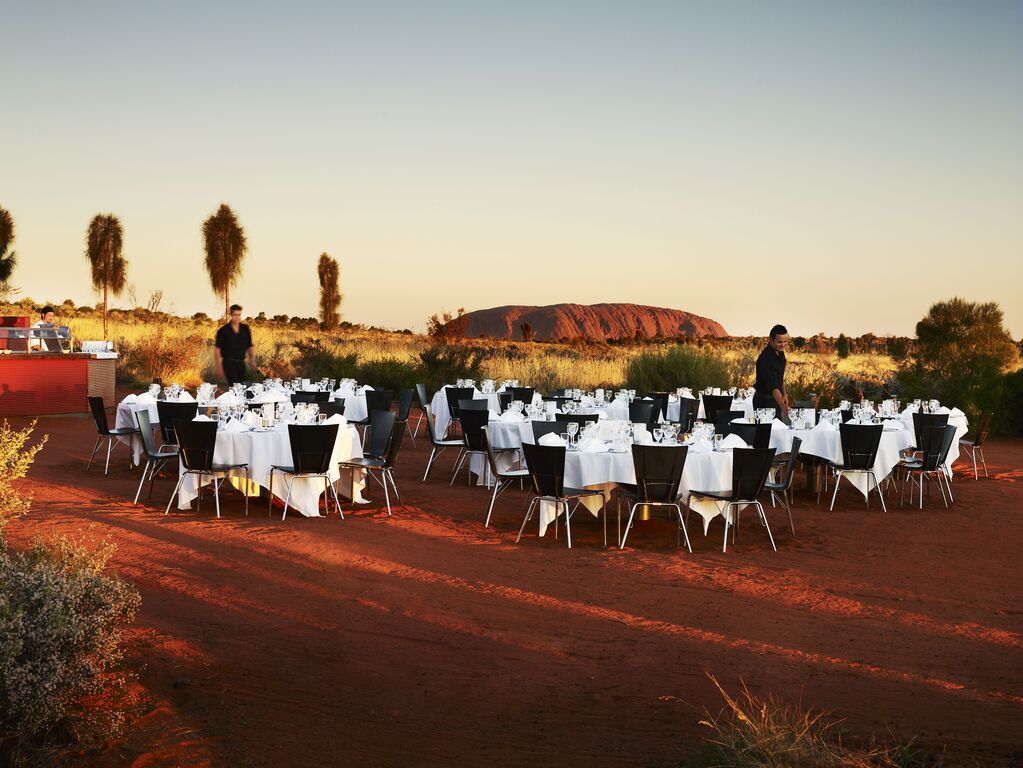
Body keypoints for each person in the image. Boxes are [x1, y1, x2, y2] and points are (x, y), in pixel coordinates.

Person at [753, 324, 789, 419]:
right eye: (779, 342)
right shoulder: (766, 358)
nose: (783, 345)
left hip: (776, 399)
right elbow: (773, 387)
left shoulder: (780, 353)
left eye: (785, 341)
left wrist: (784, 393)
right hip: (764, 402)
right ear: (771, 340)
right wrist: (783, 406)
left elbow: (779, 377)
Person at [214, 304, 257, 385]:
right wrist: (218, 367)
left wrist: (252, 360)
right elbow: (217, 349)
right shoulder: (223, 330)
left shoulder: (245, 329)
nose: (237, 317)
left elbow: (249, 345)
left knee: (241, 387)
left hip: (241, 363)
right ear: (231, 315)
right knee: (236, 385)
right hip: (228, 363)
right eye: (235, 315)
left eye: (239, 315)